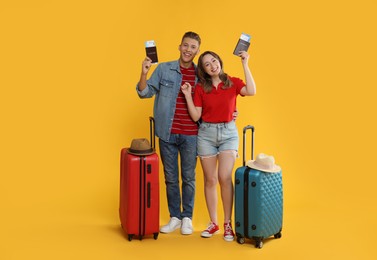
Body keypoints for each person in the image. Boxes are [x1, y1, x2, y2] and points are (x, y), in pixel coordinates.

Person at [181, 50, 256, 241]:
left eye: (214, 60)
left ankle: (227, 224)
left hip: (228, 134)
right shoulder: (200, 88)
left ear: (219, 61)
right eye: (207, 64)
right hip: (205, 134)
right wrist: (188, 95)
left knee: (224, 177)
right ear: (204, 70)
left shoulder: (232, 82)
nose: (212, 65)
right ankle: (213, 223)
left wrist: (245, 63)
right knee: (210, 180)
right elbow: (196, 116)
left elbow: (252, 91)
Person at [136, 32, 201, 235]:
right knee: (170, 178)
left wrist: (230, 112)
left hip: (192, 135)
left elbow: (214, 99)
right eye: (185, 45)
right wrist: (145, 73)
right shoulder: (164, 69)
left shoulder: (202, 75)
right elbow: (144, 93)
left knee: (189, 178)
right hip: (167, 133)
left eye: (193, 47)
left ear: (197, 51)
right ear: (179, 46)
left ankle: (187, 218)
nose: (188, 50)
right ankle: (174, 217)